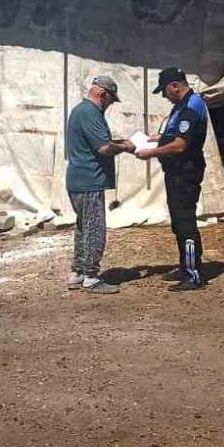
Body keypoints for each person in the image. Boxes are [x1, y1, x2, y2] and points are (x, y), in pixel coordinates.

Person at [135, 67, 209, 291]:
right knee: (178, 222)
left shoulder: (189, 107)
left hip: (185, 173)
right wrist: (157, 138)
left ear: (175, 86)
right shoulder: (181, 106)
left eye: (165, 91)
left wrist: (151, 152)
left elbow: (181, 144)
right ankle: (185, 266)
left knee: (186, 224)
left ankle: (193, 274)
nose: (164, 96)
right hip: (177, 173)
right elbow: (175, 135)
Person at [65, 76, 136, 294]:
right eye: (111, 100)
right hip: (89, 181)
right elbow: (103, 148)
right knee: (95, 229)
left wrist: (118, 143)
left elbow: (98, 142)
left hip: (78, 179)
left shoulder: (80, 111)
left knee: (83, 228)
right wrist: (126, 146)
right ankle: (91, 277)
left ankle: (77, 272)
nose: (111, 104)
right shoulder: (90, 112)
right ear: (102, 94)